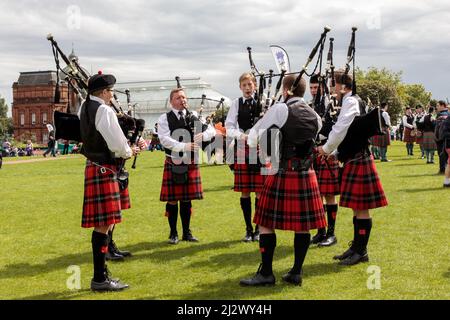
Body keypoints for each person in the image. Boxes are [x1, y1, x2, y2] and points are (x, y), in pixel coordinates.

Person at [240, 74, 326, 287]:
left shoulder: (280, 109)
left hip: (282, 171)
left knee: (266, 223)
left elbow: (253, 137)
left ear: (286, 90)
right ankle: (296, 272)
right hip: (307, 174)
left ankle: (267, 273)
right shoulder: (316, 116)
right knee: (303, 226)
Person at [78, 72, 145, 291]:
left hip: (94, 167)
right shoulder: (104, 110)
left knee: (102, 225)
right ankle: (100, 279)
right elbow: (118, 145)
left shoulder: (84, 107)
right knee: (103, 225)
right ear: (105, 92)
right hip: (105, 169)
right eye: (111, 91)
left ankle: (102, 274)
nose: (112, 95)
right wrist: (130, 149)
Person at [318, 70, 388, 266]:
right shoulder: (349, 100)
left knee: (362, 208)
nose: (331, 88)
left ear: (342, 86)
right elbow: (348, 131)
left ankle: (361, 251)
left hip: (359, 159)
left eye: (333, 84)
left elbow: (340, 128)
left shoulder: (350, 101)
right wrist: (336, 153)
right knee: (357, 208)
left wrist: (326, 149)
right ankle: (356, 248)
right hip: (353, 158)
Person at [157, 87, 216, 245]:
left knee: (186, 199)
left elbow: (211, 129)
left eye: (184, 97)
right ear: (171, 102)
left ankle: (187, 232)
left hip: (190, 161)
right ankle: (173, 233)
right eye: (178, 98)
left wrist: (204, 134)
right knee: (172, 200)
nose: (182, 100)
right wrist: (184, 146)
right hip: (173, 160)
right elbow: (164, 139)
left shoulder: (194, 115)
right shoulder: (164, 118)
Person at [225, 72, 266, 242]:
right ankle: (248, 229)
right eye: (244, 85)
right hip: (242, 148)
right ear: (240, 87)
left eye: (250, 85)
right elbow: (228, 126)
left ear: (255, 85)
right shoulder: (236, 104)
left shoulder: (263, 103)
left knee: (258, 192)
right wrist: (241, 136)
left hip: (259, 150)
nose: (247, 88)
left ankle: (257, 229)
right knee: (245, 191)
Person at [309, 74, 340, 247]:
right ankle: (320, 231)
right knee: (317, 195)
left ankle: (331, 233)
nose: (314, 91)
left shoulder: (331, 104)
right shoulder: (310, 105)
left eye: (316, 88)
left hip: (328, 152)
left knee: (329, 195)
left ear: (322, 87)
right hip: (315, 153)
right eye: (311, 88)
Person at [434, 101, 449, 174]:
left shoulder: (442, 115)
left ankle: (443, 170)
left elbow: (441, 129)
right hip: (444, 138)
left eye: (438, 105)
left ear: (442, 106)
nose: (437, 107)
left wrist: (438, 138)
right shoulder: (446, 114)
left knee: (442, 155)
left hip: (441, 139)